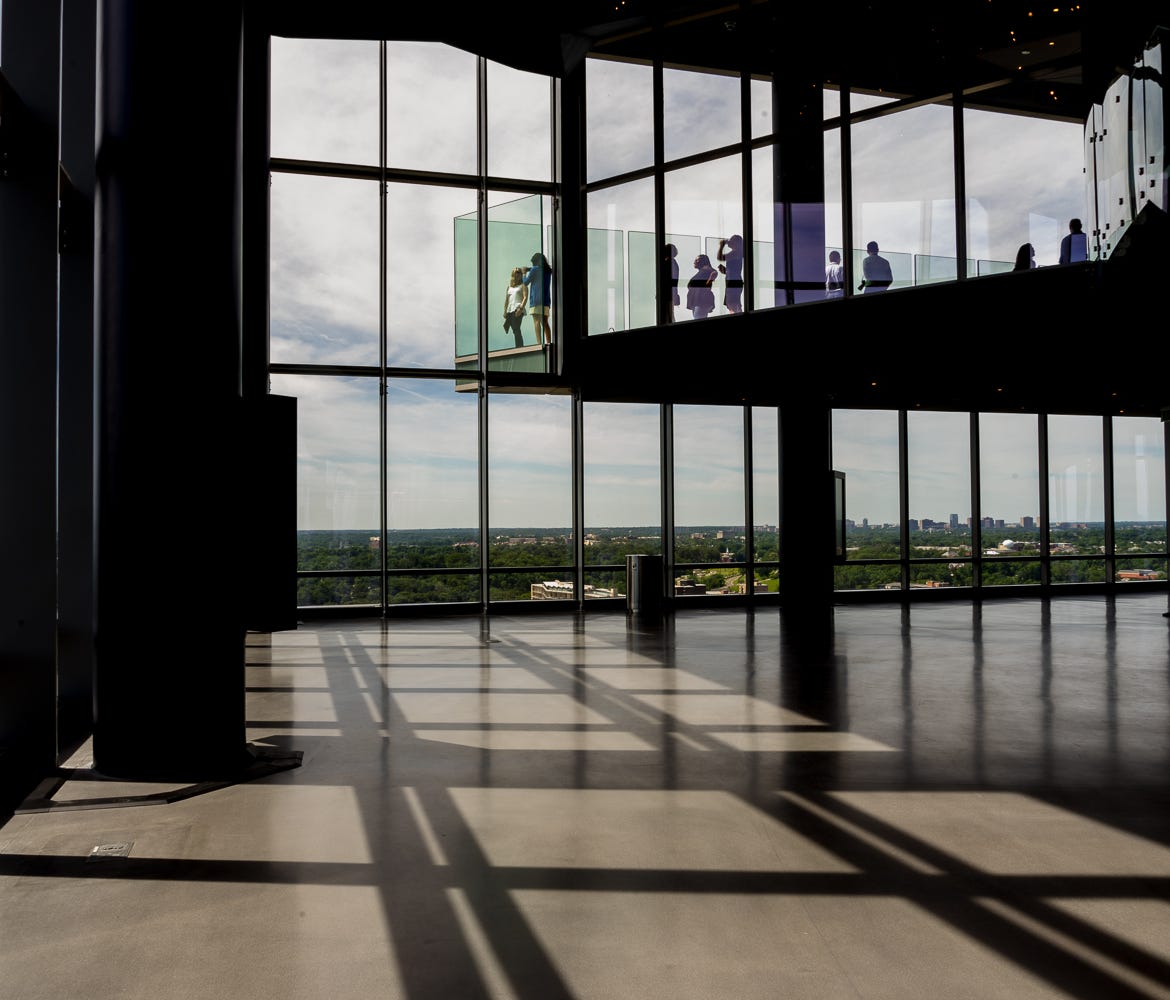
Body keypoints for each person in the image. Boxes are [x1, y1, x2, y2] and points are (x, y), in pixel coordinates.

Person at [522, 252, 553, 346]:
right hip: (546, 301)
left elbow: (526, 282)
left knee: (536, 321)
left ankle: (539, 344)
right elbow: (537, 269)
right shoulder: (548, 270)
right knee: (545, 322)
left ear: (535, 262)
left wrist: (524, 273)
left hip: (535, 300)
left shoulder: (535, 269)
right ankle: (549, 343)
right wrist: (529, 269)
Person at [716, 234, 744, 313]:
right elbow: (734, 270)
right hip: (734, 281)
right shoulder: (738, 253)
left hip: (733, 282)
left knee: (732, 305)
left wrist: (721, 246)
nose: (729, 241)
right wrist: (726, 271)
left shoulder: (736, 252)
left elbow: (720, 257)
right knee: (735, 304)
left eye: (731, 240)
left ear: (735, 243)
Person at [686, 254, 719, 320]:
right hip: (697, 300)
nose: (694, 262)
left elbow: (714, 272)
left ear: (703, 261)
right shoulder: (702, 272)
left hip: (701, 300)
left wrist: (709, 281)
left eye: (697, 260)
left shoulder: (707, 270)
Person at [502, 266, 528, 348]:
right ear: (513, 274)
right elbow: (507, 300)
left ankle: (519, 347)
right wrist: (505, 311)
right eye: (516, 273)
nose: (517, 274)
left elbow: (525, 297)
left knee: (516, 328)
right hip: (510, 309)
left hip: (517, 308)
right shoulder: (509, 287)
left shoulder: (523, 285)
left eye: (519, 273)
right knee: (514, 328)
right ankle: (519, 346)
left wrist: (521, 308)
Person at [661, 243, 680, 323]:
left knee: (668, 317)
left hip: (667, 294)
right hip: (669, 294)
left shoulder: (669, 263)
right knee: (669, 316)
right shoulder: (672, 262)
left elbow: (671, 281)